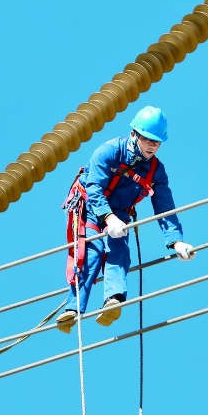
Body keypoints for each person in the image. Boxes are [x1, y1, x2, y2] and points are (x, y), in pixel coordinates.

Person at [57, 105, 196, 333]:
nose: (152, 146)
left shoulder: (156, 171)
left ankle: (113, 300)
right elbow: (94, 188)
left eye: (157, 142)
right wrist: (108, 217)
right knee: (91, 253)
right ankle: (74, 309)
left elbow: (165, 207)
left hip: (120, 213)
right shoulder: (109, 151)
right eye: (148, 139)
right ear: (134, 134)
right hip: (89, 207)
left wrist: (176, 242)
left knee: (119, 251)